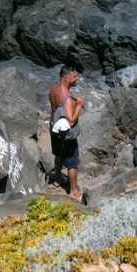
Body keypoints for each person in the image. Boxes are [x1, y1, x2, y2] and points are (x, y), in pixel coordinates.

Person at [48, 67, 85, 203]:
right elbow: (70, 121)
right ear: (66, 78)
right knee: (72, 162)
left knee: (59, 154)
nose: (77, 79)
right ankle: (74, 192)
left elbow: (56, 107)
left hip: (53, 127)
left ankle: (57, 180)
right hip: (65, 135)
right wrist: (79, 105)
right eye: (74, 77)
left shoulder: (53, 90)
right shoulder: (68, 99)